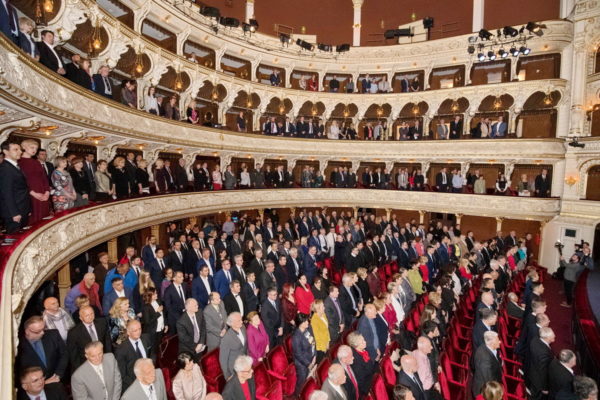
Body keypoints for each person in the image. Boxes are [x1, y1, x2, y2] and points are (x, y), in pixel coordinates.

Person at [17, 315, 68, 382]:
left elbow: (64, 354)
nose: (42, 333)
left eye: (43, 329)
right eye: (38, 331)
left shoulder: (53, 335)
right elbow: (20, 373)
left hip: (57, 380)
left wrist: (57, 375)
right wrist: (42, 382)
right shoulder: (18, 347)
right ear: (27, 331)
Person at [67, 306, 112, 370]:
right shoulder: (74, 332)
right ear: (81, 318)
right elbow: (73, 354)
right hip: (86, 362)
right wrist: (80, 368)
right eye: (87, 315)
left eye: (92, 314)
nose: (90, 317)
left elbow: (107, 342)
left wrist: (108, 357)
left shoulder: (102, 322)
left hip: (103, 358)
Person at [114, 320, 155, 391]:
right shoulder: (121, 349)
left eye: (139, 329)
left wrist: (151, 365)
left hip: (149, 376)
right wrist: (137, 384)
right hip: (134, 383)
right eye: (135, 330)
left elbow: (152, 354)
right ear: (128, 332)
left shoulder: (146, 338)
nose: (138, 332)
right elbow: (122, 374)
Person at [0, 140, 31, 232]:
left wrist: (27, 208)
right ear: (6, 152)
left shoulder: (14, 166)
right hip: (14, 212)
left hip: (21, 208)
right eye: (15, 149)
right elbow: (6, 193)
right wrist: (14, 213)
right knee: (14, 240)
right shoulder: (5, 168)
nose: (20, 152)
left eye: (20, 149)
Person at [19, 139, 51, 225]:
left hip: (43, 194)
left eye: (36, 148)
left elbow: (44, 178)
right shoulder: (19, 162)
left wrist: (47, 192)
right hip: (29, 195)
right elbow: (20, 182)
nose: (34, 150)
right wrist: (33, 193)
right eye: (32, 147)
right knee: (32, 221)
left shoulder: (36, 162)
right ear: (24, 147)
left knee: (44, 220)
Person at [472, 331, 502, 397]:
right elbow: (489, 380)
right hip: (485, 392)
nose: (500, 342)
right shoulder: (484, 359)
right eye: (498, 340)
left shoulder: (487, 347)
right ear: (491, 343)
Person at [292, 314, 317, 395]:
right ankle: (297, 396)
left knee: (308, 381)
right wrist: (308, 364)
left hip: (311, 359)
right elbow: (298, 355)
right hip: (302, 364)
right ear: (300, 323)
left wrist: (315, 355)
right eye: (305, 321)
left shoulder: (308, 328)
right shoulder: (296, 337)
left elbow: (313, 341)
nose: (307, 322)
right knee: (301, 383)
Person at [528, 327, 555, 399]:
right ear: (547, 338)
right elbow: (543, 371)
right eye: (552, 336)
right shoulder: (544, 353)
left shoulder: (535, 340)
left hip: (532, 372)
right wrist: (544, 388)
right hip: (538, 381)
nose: (554, 336)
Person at [219, 312, 248, 380]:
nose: (242, 321)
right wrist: (227, 376)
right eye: (239, 320)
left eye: (241, 319)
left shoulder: (243, 328)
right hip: (235, 369)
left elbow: (245, 346)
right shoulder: (226, 338)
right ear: (232, 323)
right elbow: (223, 359)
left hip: (244, 363)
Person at [347, 332, 376, 397]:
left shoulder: (362, 350)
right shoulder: (356, 361)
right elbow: (361, 382)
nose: (365, 342)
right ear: (356, 345)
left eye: (364, 340)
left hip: (371, 376)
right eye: (362, 342)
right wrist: (369, 391)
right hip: (367, 386)